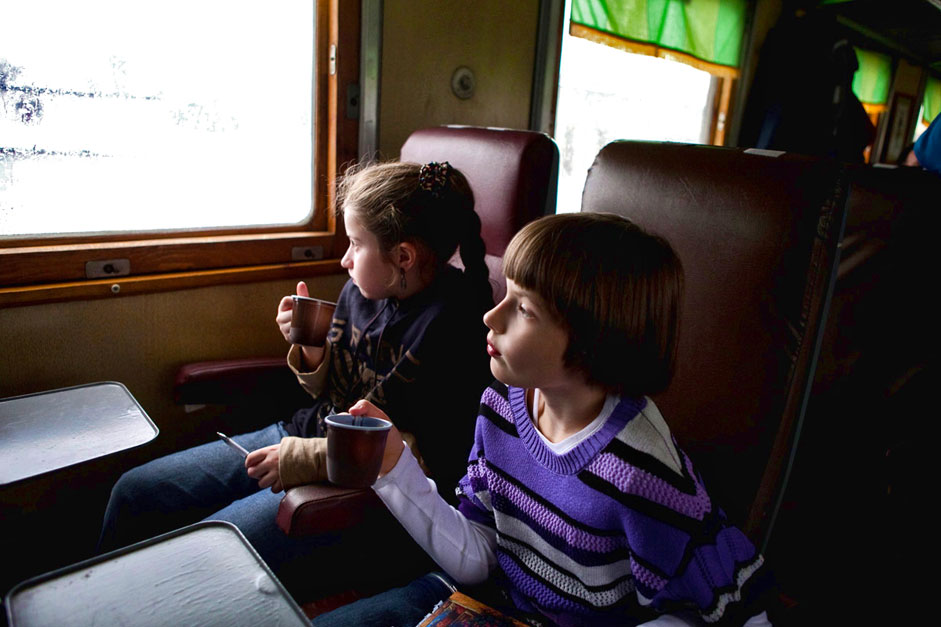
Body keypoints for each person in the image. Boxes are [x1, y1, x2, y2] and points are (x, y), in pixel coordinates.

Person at [314, 213, 776, 626]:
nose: (491, 316)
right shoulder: (501, 407)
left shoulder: (642, 468)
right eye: (506, 296)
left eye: (524, 309)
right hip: (487, 603)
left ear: (595, 339)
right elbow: (480, 556)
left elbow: (734, 608)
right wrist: (395, 468)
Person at [98, 161, 494, 588]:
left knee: (206, 549)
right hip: (303, 432)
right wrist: (310, 346)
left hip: (359, 478)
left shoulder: (455, 325)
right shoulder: (362, 291)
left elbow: (417, 454)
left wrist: (300, 459)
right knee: (135, 492)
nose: (344, 259)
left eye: (356, 244)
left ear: (403, 257)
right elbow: (335, 390)